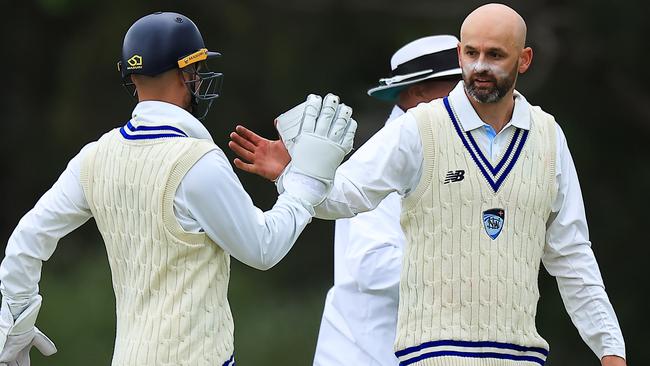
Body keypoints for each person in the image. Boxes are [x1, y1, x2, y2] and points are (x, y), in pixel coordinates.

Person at [229, 4, 627, 366]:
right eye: (471, 55)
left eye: (495, 55)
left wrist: (610, 348)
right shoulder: (416, 132)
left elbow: (572, 253)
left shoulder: (548, 136)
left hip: (518, 354)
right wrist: (294, 175)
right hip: (410, 353)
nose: (478, 69)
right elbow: (342, 199)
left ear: (524, 60)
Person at [0, 11, 356, 366]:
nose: (199, 79)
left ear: (133, 77)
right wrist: (305, 184)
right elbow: (263, 248)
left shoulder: (92, 159)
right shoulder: (197, 160)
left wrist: (15, 327)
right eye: (196, 71)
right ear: (186, 73)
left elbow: (27, 241)